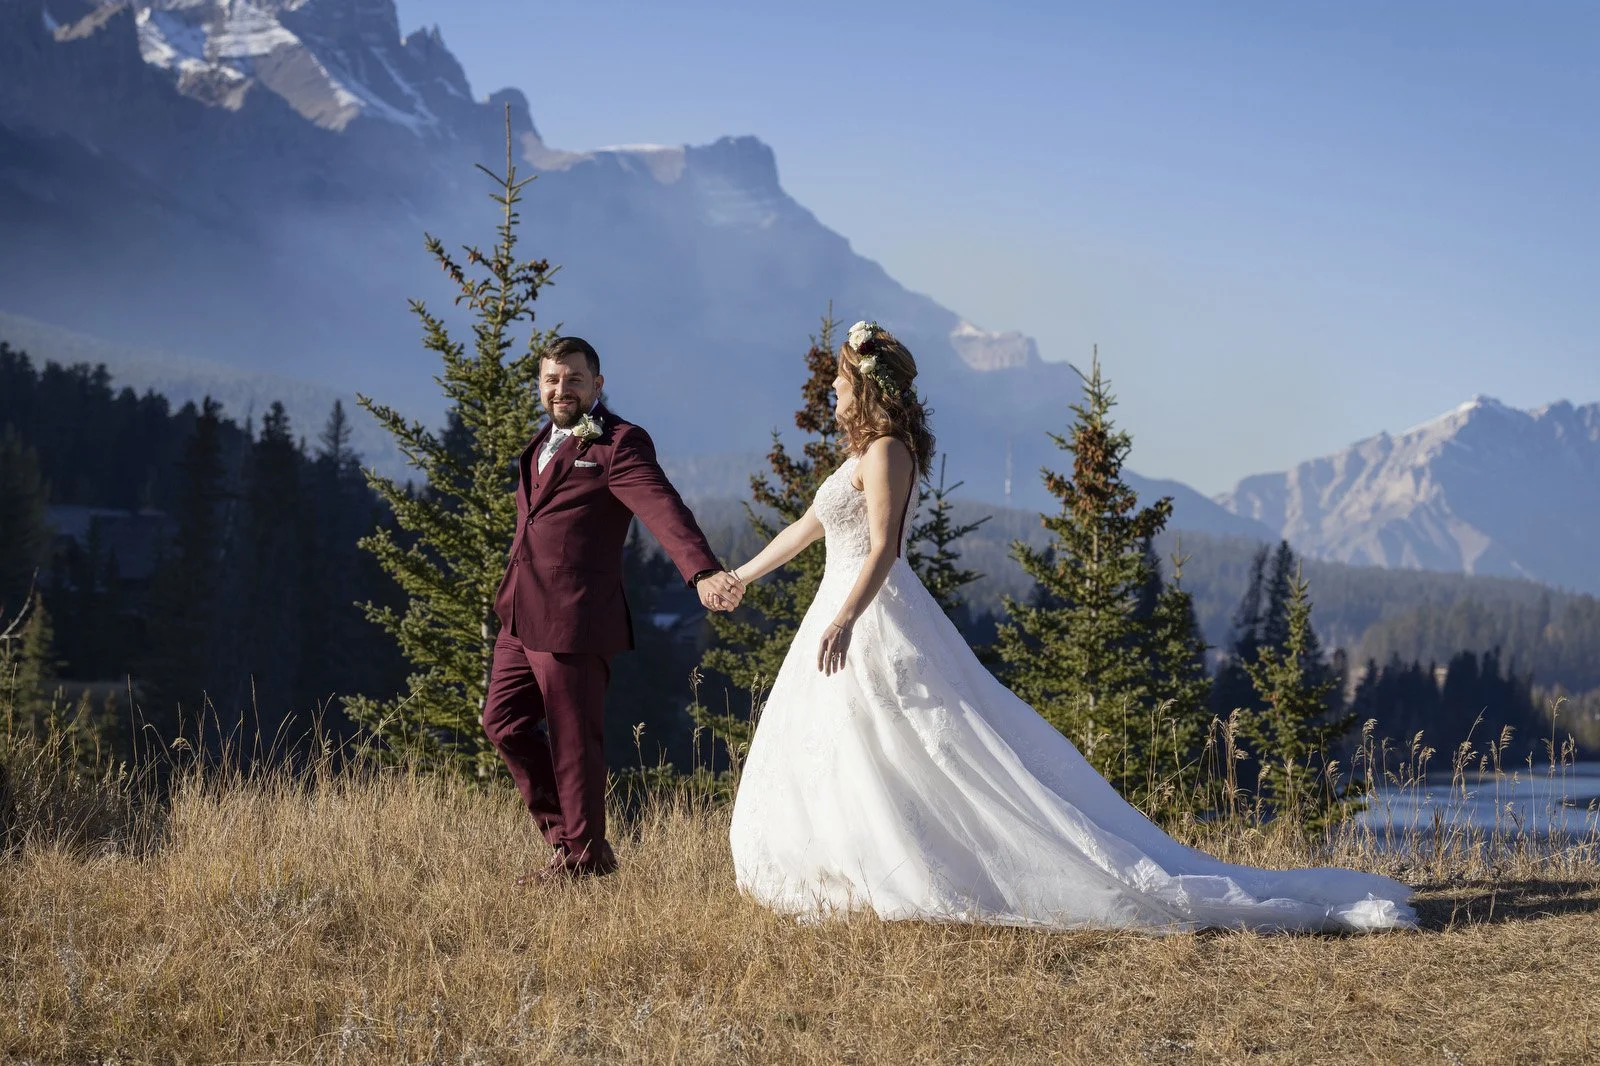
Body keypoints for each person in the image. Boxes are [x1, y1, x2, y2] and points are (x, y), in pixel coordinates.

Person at [724, 321, 1415, 932]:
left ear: (867, 389)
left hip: (871, 614)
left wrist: (847, 616)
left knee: (930, 750)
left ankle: (928, 868)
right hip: (839, 608)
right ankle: (848, 867)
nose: (831, 396)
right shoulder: (854, 457)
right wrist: (742, 577)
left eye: (840, 384)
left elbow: (881, 548)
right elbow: (806, 530)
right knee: (854, 750)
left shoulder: (887, 455)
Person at [485, 336, 743, 884]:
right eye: (552, 379)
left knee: (576, 741)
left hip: (575, 618)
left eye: (574, 379)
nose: (562, 389)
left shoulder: (620, 444)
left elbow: (661, 505)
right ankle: (574, 844)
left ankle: (582, 858)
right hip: (519, 613)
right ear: (541, 384)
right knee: (503, 722)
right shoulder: (541, 443)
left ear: (597, 385)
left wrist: (700, 570)